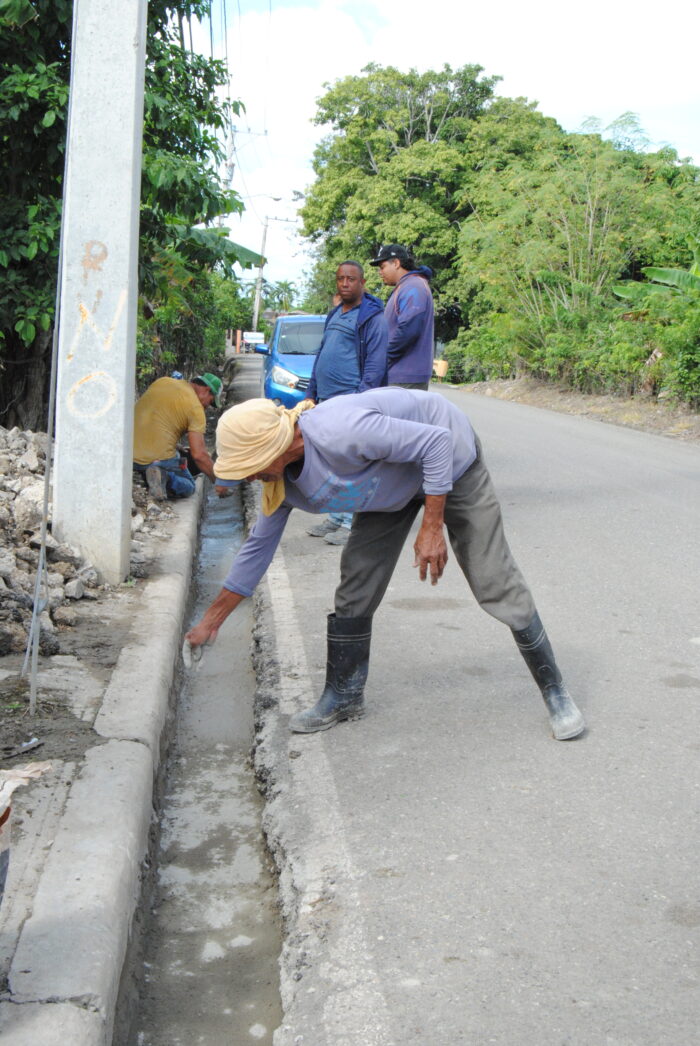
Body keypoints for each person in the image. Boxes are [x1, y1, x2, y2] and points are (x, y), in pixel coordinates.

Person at [186, 390, 585, 742]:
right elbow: (257, 550)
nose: (250, 477)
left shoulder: (341, 430)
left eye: (251, 465)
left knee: (491, 577)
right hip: (390, 487)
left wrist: (432, 526)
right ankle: (344, 696)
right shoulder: (280, 484)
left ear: (279, 443)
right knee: (357, 579)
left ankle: (554, 690)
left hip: (450, 461)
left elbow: (437, 442)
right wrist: (211, 622)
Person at [305, 260, 388, 546]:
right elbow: (322, 354)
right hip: (326, 401)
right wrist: (311, 392)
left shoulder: (372, 318)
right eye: (340, 278)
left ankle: (351, 523)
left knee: (352, 463)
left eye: (351, 279)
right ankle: (336, 517)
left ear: (362, 282)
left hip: (350, 400)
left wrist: (360, 401)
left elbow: (376, 365)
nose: (344, 283)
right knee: (331, 462)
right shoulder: (334, 314)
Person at [133, 372, 222, 499]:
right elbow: (199, 455)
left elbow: (156, 420)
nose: (207, 406)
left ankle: (150, 474)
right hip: (156, 460)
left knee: (182, 455)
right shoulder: (196, 409)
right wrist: (219, 482)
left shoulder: (163, 381)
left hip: (128, 456)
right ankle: (165, 477)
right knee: (189, 486)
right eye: (211, 401)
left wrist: (176, 445)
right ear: (207, 391)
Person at [369, 243, 435, 389]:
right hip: (399, 376)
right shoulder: (406, 286)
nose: (380, 272)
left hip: (404, 377)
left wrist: (381, 360)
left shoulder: (413, 286)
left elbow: (409, 330)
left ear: (396, 263)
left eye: (382, 267)